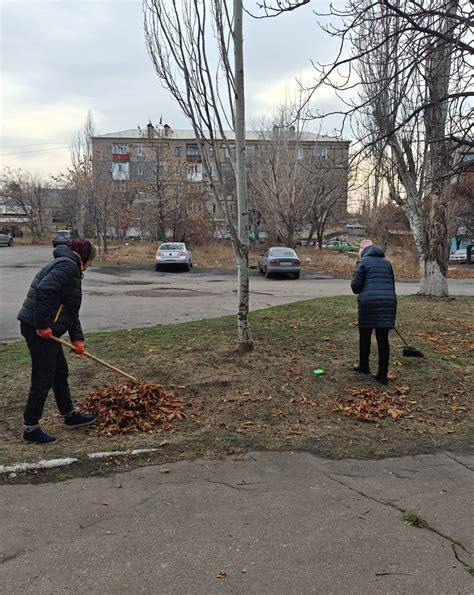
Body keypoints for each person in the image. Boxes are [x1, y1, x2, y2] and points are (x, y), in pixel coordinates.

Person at [17, 240, 98, 443]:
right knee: (43, 377)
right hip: (37, 328)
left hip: (43, 327)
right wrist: (43, 325)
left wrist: (77, 339)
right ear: (84, 257)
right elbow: (44, 291)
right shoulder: (67, 266)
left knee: (59, 372)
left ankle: (69, 415)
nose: (91, 265)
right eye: (91, 261)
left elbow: (70, 310)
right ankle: (30, 428)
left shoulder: (69, 265)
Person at [350, 239, 397, 385]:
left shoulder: (363, 263)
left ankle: (364, 366)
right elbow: (390, 284)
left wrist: (356, 272)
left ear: (362, 249)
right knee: (383, 339)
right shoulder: (387, 263)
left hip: (368, 303)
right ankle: (382, 375)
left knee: (365, 335)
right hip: (388, 302)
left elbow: (355, 287)